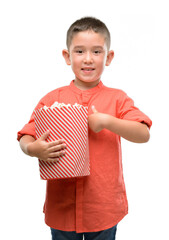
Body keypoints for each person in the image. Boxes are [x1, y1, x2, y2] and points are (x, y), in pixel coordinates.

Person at [17, 17, 152, 240]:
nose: (88, 59)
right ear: (67, 56)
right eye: (79, 51)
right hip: (62, 208)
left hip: (103, 208)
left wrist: (107, 121)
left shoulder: (117, 99)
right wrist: (33, 149)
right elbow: (26, 135)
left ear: (108, 57)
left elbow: (143, 133)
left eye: (97, 52)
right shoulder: (51, 99)